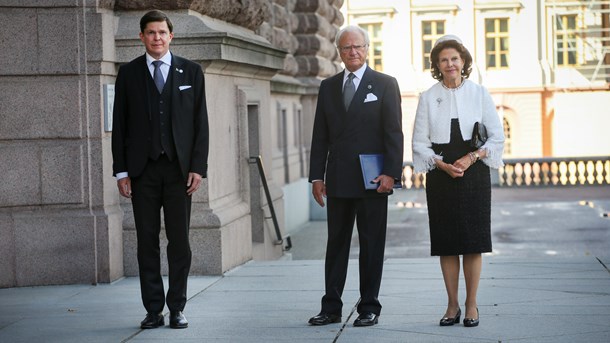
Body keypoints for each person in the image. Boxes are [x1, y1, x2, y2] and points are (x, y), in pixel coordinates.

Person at [111, 10, 209, 330]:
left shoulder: (191, 72)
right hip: (143, 172)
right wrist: (121, 172)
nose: (156, 37)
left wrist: (198, 167)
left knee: (179, 242)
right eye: (150, 33)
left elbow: (200, 125)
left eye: (162, 32)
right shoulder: (128, 74)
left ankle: (177, 307)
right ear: (141, 37)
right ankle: (153, 309)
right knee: (147, 242)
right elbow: (120, 126)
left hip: (180, 172)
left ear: (171, 36)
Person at [307, 25, 403, 327]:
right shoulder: (328, 86)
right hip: (337, 179)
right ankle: (331, 307)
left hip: (373, 180)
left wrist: (391, 173)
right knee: (336, 244)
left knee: (372, 245)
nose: (353, 52)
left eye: (358, 46)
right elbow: (319, 136)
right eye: (347, 48)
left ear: (367, 48)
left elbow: (394, 134)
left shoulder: (385, 84)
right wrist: (316, 177)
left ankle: (369, 307)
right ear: (339, 52)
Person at [412, 34, 504, 327]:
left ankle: (471, 304)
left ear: (463, 61)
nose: (450, 64)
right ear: (437, 65)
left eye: (454, 58)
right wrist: (441, 164)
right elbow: (418, 144)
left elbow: (497, 137)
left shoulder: (479, 93)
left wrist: (472, 157)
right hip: (441, 177)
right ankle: (451, 305)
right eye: (443, 60)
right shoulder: (428, 97)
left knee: (473, 242)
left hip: (473, 174)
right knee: (447, 243)